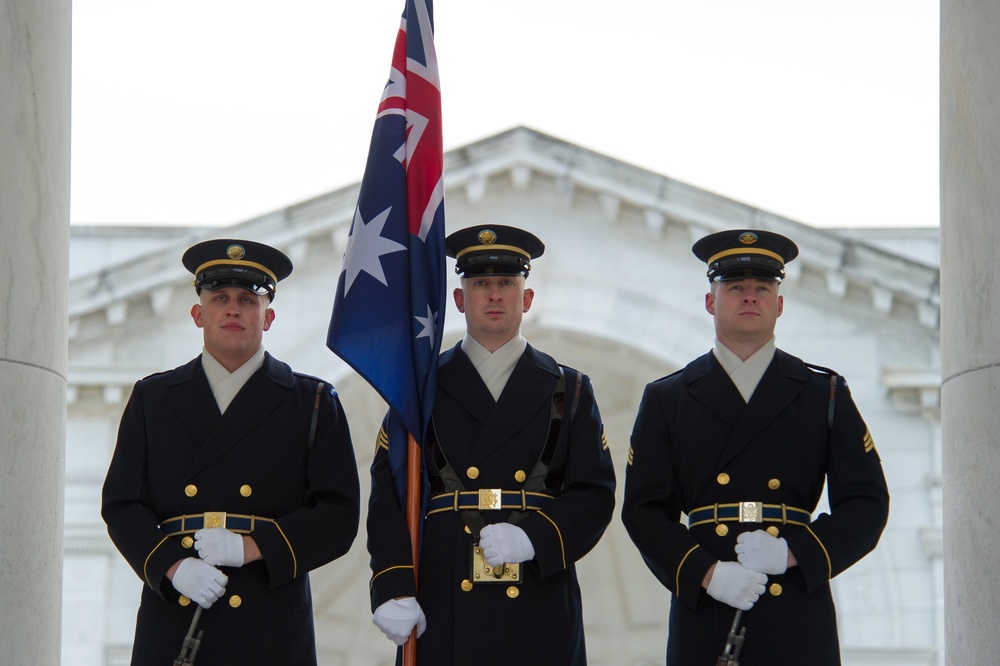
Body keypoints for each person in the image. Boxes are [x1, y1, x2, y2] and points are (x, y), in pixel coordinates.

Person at [621, 229, 889, 665]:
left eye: (762, 288)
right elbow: (644, 510)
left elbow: (867, 503)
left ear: (779, 305)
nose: (750, 297)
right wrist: (704, 573)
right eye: (735, 287)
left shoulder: (824, 394)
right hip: (708, 607)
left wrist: (792, 552)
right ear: (711, 302)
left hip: (796, 604)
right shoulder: (668, 398)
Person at [102, 238, 361, 665]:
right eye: (220, 297)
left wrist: (250, 548)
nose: (234, 309)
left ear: (269, 316)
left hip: (268, 617)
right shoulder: (153, 398)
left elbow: (338, 515)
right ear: (198, 313)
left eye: (248, 299)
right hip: (176, 608)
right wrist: (172, 566)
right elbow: (122, 504)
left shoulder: (312, 400)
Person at [366, 225, 617, 665]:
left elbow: (595, 494)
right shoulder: (419, 388)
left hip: (537, 597)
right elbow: (390, 492)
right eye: (481, 283)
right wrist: (392, 585)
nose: (495, 295)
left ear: (528, 298)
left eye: (506, 283)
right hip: (443, 598)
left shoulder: (571, 388)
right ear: (461, 300)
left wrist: (534, 538)